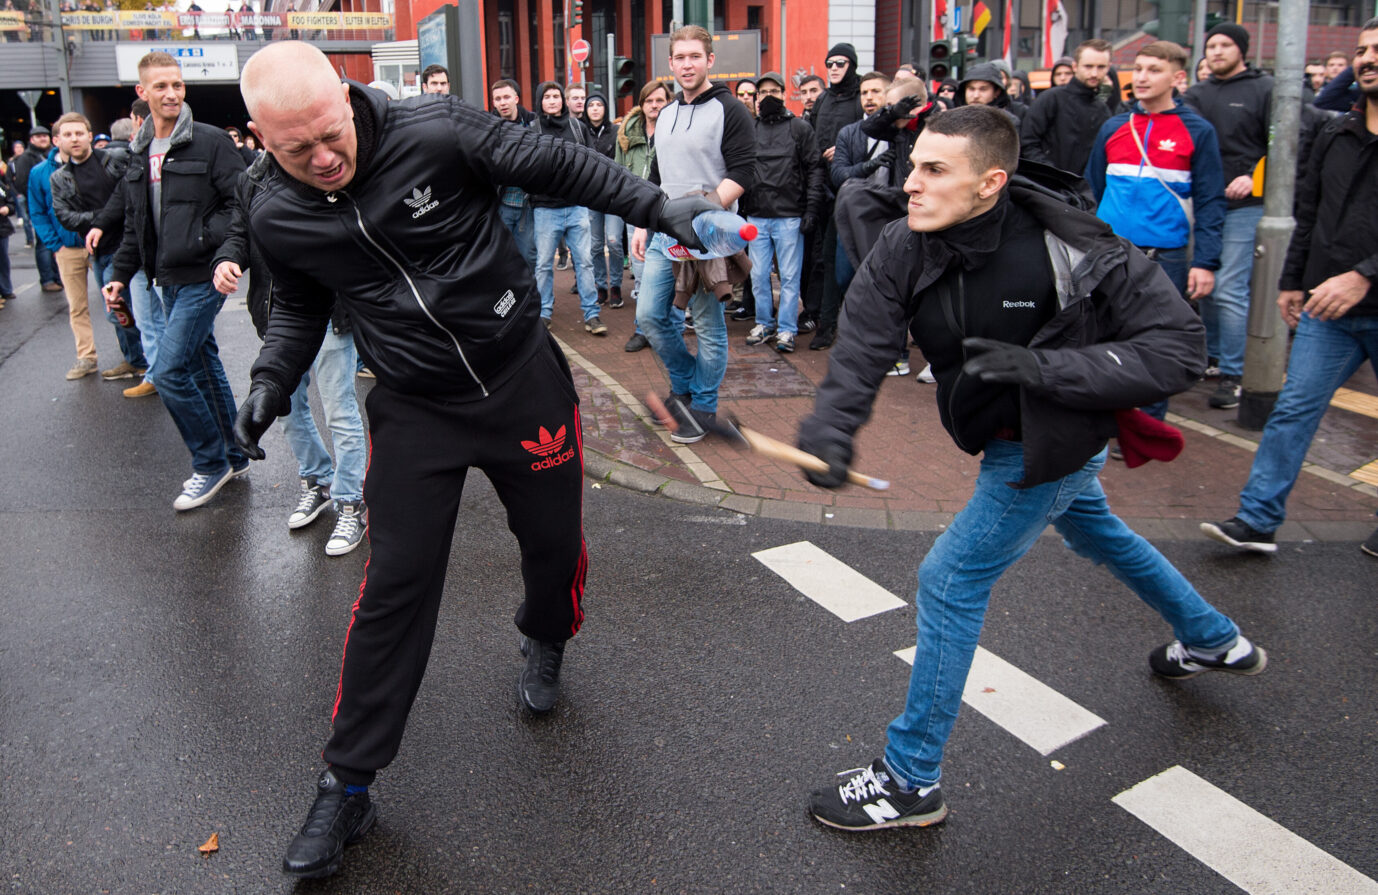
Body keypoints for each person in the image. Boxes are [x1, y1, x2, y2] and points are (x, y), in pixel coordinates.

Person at [228, 41, 712, 880]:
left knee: (554, 545)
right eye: (297, 149)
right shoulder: (276, 214)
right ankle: (347, 782)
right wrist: (269, 381)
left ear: (345, 97)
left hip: (519, 379)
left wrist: (654, 207)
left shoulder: (438, 132)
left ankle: (546, 634)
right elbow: (298, 309)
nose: (325, 158)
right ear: (261, 139)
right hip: (417, 407)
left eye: (330, 133)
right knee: (394, 586)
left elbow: (562, 163)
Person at [797, 104, 1266, 832]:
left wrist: (1043, 367)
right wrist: (831, 432)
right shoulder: (903, 239)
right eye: (913, 163)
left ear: (990, 183)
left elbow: (1178, 349)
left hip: (1053, 438)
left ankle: (910, 777)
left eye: (932, 170)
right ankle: (1212, 638)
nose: (909, 182)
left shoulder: (1074, 243)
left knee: (950, 578)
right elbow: (861, 343)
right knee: (1098, 532)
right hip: (1010, 432)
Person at [1201, 18, 1378, 558]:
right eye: (1363, 50)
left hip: (1364, 292)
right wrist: (1292, 282)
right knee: (1294, 408)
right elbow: (1308, 209)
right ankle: (1257, 519)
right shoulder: (1336, 132)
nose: (1367, 58)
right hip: (1329, 308)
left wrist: (1365, 274)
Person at [101, 51, 249, 511]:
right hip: (163, 279)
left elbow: (242, 203)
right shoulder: (138, 150)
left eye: (178, 85)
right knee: (203, 362)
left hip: (203, 274)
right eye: (161, 86)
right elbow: (135, 223)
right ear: (142, 93)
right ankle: (234, 453)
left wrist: (214, 243)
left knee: (166, 371)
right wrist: (119, 274)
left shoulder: (209, 142)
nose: (171, 93)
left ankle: (209, 464)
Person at [212, 154, 370, 556]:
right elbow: (238, 233)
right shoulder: (253, 177)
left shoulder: (330, 166)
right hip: (274, 314)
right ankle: (317, 480)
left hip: (333, 313)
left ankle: (351, 500)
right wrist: (227, 259)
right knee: (285, 408)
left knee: (339, 408)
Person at [1084, 40, 1225, 431]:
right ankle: (1102, 415)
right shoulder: (1113, 126)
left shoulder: (1198, 131)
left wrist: (1206, 262)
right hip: (1108, 251)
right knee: (1099, 333)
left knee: (1158, 341)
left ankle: (1146, 424)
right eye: (1139, 68)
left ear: (1178, 78)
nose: (1142, 77)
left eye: (1153, 70)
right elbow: (1090, 190)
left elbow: (1212, 202)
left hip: (1165, 255)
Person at [630, 25, 756, 443]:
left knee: (707, 326)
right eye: (680, 58)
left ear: (710, 61)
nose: (687, 64)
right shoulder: (664, 114)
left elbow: (742, 173)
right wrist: (643, 224)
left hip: (708, 238)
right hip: (666, 235)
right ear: (670, 64)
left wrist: (701, 217)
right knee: (649, 316)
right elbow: (654, 177)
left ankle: (702, 405)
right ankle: (684, 384)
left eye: (695, 57)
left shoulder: (730, 110)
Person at [1184, 23, 1273, 410]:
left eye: (1225, 45)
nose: (1217, 51)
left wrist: (1253, 177)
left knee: (1229, 287)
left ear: (1243, 50)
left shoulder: (1264, 89)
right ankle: (1216, 357)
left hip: (1244, 206)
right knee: (1204, 286)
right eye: (1211, 45)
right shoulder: (1195, 94)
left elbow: (1284, 142)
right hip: (1202, 203)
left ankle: (1235, 373)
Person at [48, 111, 147, 383]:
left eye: (79, 133)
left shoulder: (115, 159)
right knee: (118, 311)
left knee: (126, 309)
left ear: (90, 136)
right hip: (99, 252)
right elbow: (65, 217)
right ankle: (136, 360)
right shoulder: (59, 178)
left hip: (126, 246)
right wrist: (102, 218)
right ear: (59, 141)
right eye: (68, 135)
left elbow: (134, 195)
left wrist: (108, 217)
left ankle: (145, 361)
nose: (74, 139)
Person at [740, 70, 823, 354]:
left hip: (789, 216)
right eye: (762, 92)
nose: (768, 96)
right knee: (758, 275)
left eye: (774, 91)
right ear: (756, 97)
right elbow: (740, 168)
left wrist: (811, 208)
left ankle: (786, 329)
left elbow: (814, 168)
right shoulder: (750, 129)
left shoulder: (800, 128)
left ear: (784, 94)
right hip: (757, 216)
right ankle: (764, 322)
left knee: (789, 277)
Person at [529, 81, 605, 334]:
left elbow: (590, 160)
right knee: (542, 265)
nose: (552, 101)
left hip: (576, 206)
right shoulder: (533, 129)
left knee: (584, 262)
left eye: (556, 96)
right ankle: (544, 314)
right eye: (547, 97)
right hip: (545, 209)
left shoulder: (577, 127)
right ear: (540, 101)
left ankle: (592, 315)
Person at [805, 43, 864, 348]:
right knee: (826, 260)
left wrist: (842, 154)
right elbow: (814, 137)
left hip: (856, 191)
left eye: (841, 62)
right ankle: (826, 326)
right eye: (829, 63)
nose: (834, 68)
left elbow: (868, 138)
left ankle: (856, 326)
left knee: (855, 264)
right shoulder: (824, 99)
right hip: (826, 191)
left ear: (852, 64)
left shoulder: (861, 98)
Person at [615, 79, 674, 353]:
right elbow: (616, 171)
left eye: (659, 100)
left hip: (667, 212)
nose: (654, 105)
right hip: (635, 211)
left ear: (667, 102)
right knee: (641, 274)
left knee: (671, 272)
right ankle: (643, 329)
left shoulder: (675, 129)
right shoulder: (627, 133)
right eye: (649, 100)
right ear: (641, 105)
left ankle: (669, 328)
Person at [1021, 39, 1115, 175]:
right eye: (1088, 66)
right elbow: (1028, 143)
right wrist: (1053, 175)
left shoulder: (1103, 109)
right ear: (1075, 66)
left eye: (1101, 67)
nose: (1094, 73)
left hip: (1085, 190)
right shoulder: (1051, 99)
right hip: (1050, 187)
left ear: (1108, 67)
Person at [582, 93, 625, 308]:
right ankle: (601, 286)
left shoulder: (616, 132)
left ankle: (616, 285)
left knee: (614, 241)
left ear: (605, 108)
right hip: (590, 196)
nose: (595, 109)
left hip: (614, 196)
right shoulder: (580, 131)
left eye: (600, 104)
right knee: (595, 245)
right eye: (591, 105)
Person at [490, 78, 538, 269]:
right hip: (502, 204)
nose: (503, 102)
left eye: (506, 97)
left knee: (528, 258)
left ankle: (530, 298)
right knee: (501, 259)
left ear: (516, 98)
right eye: (498, 99)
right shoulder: (488, 127)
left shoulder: (534, 124)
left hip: (529, 204)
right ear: (493, 102)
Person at [13, 126, 62, 287]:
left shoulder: (50, 154)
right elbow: (21, 182)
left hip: (55, 206)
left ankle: (56, 276)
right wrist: (36, 198)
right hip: (39, 207)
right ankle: (47, 279)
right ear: (31, 140)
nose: (43, 139)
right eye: (38, 136)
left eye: (45, 136)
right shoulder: (26, 158)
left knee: (55, 242)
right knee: (43, 242)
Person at [955, 62, 1020, 123]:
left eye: (983, 89)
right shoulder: (954, 119)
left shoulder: (1007, 122)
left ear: (996, 92)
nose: (976, 95)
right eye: (971, 89)